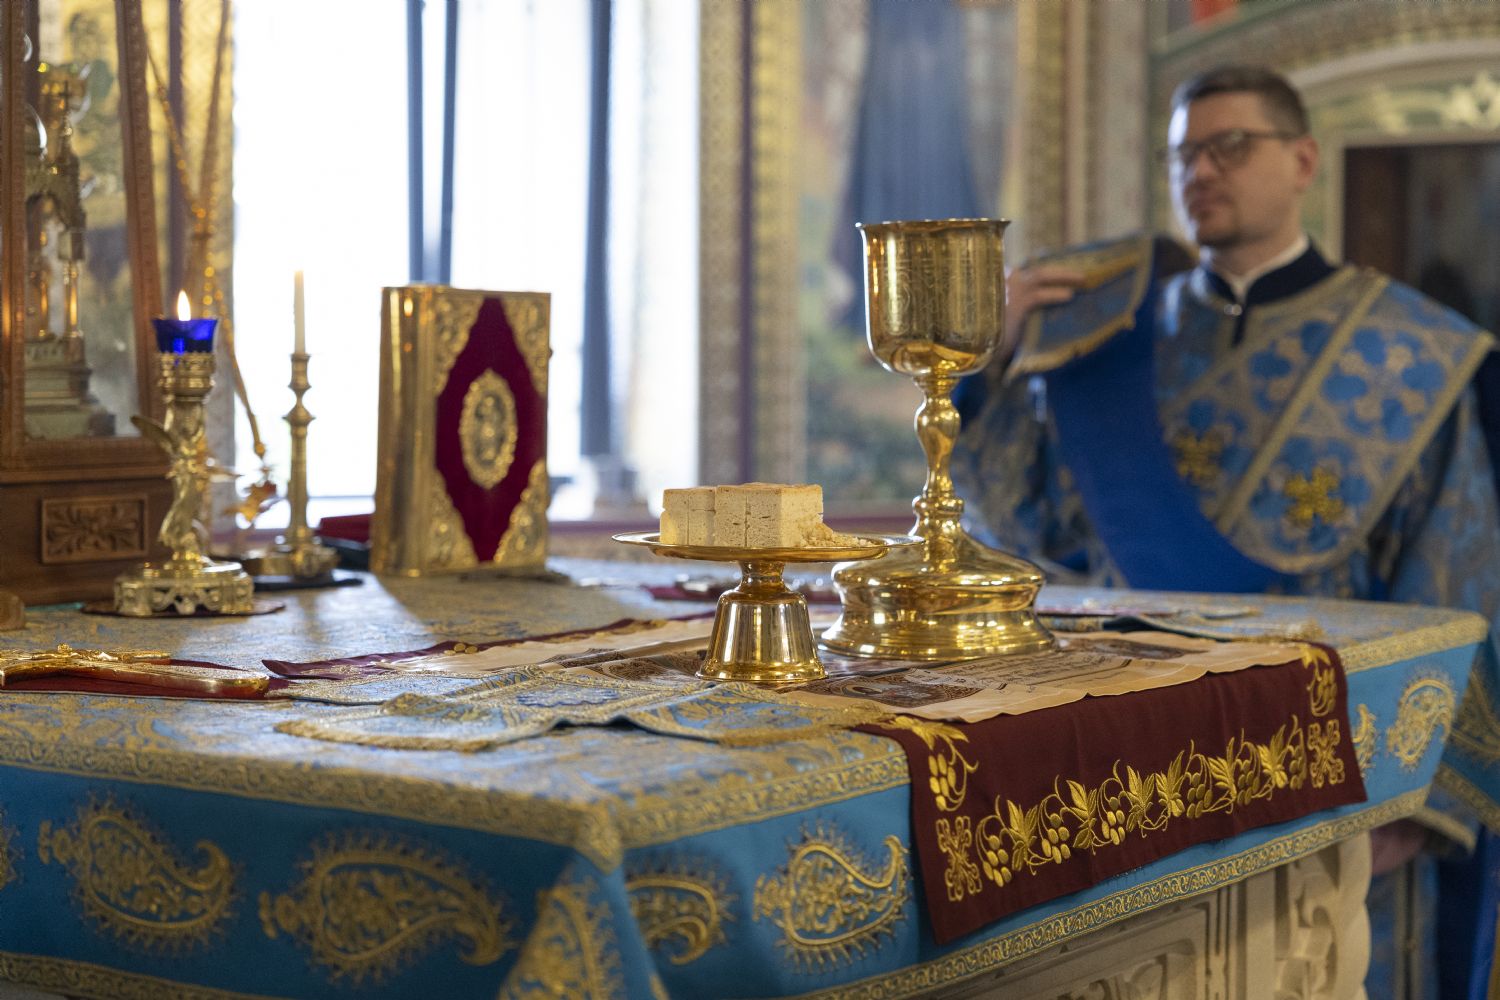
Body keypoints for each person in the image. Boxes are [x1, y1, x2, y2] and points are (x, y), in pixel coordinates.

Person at [951, 65, 1500, 999]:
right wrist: (990, 363)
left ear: (1303, 161)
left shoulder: (1413, 350)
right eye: (1183, 155)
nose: (1200, 171)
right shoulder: (1105, 348)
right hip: (1137, 768)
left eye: (1229, 146)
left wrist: (1426, 799)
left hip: (1347, 770)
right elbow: (1026, 528)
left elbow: (1460, 574)